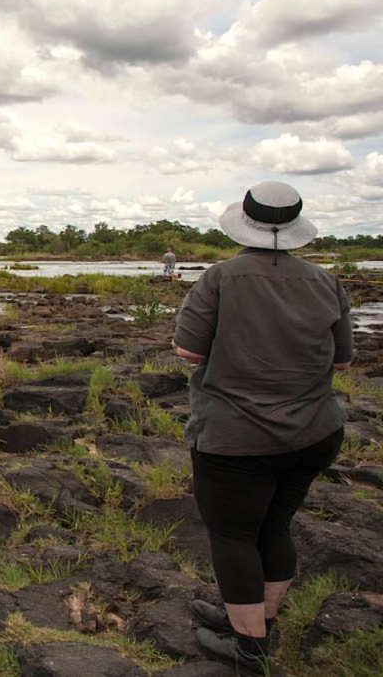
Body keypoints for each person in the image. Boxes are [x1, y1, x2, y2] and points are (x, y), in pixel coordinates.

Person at [171, 181, 353, 673]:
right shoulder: (325, 281)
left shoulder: (219, 279)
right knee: (274, 524)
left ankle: (249, 647)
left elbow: (189, 351)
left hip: (235, 437)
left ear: (243, 225)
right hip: (314, 432)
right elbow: (341, 360)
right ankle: (256, 619)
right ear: (295, 228)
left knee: (233, 535)